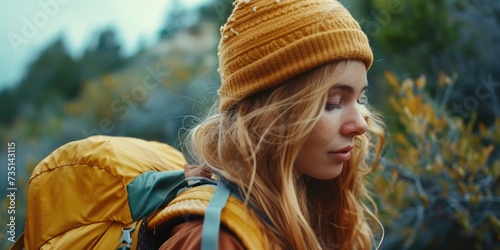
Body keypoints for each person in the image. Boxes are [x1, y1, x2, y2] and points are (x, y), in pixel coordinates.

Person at [160, 0, 385, 249]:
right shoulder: (216, 240)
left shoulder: (318, 204)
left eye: (359, 98)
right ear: (269, 115)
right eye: (332, 103)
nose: (360, 125)